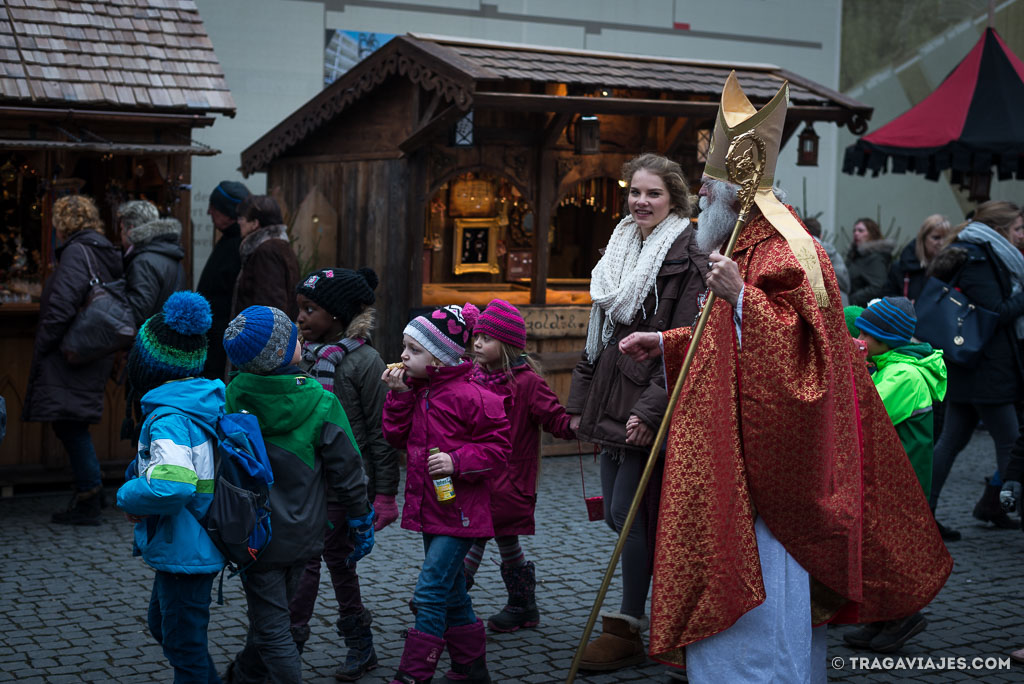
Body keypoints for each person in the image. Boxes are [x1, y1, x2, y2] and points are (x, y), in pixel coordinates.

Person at [618, 72, 951, 681]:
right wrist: (665, 341)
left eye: (707, 186)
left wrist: (743, 299)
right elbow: (723, 342)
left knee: (768, 592)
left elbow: (812, 353)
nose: (700, 196)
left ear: (735, 193)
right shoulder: (743, 243)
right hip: (733, 449)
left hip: (771, 469)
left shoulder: (791, 250)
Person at [565, 153, 708, 672]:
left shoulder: (688, 255)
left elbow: (684, 346)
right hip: (609, 397)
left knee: (632, 517)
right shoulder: (620, 248)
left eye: (654, 194)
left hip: (647, 405)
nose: (641, 202)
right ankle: (643, 618)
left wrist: (651, 412)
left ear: (675, 200)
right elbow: (598, 335)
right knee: (616, 517)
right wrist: (579, 404)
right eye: (635, 192)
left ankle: (631, 623)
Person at [221, 305, 375, 684]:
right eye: (292, 335)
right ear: (280, 352)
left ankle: (242, 675)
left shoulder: (232, 395)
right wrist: (360, 518)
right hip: (306, 535)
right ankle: (245, 675)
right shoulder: (321, 402)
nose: (299, 336)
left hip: (254, 534)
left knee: (270, 620)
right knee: (276, 626)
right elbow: (349, 470)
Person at [380, 303, 511, 684]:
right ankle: (472, 668)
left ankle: (414, 673)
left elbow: (499, 453)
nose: (403, 355)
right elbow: (394, 438)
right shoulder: (417, 391)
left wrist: (457, 461)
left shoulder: (475, 397)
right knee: (453, 592)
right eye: (404, 347)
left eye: (414, 350)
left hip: (462, 514)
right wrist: (400, 395)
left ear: (439, 359)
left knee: (431, 590)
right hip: (430, 509)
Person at [287, 267, 401, 681]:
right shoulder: (299, 354)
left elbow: (380, 432)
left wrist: (385, 494)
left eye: (310, 309)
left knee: (318, 561)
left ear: (336, 316)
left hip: (345, 482)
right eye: (299, 308)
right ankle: (357, 645)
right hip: (305, 478)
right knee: (331, 562)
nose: (301, 318)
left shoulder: (364, 363)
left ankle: (293, 646)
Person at [115, 291, 225, 683]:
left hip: (187, 548)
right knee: (167, 627)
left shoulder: (168, 418)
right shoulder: (203, 401)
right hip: (191, 544)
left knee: (183, 645)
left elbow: (174, 486)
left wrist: (126, 495)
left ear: (147, 368)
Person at [842, 297, 947, 652]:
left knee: (891, 550)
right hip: (890, 476)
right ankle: (883, 617)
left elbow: (867, 412)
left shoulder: (903, 374)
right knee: (878, 546)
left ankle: (904, 616)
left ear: (884, 340)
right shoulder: (892, 365)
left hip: (900, 479)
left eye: (865, 335)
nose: (859, 339)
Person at [464, 299, 575, 633]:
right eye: (477, 336)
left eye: (487, 338)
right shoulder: (473, 377)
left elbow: (555, 419)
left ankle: (442, 599)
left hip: (509, 481)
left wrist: (579, 425)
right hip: (477, 476)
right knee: (503, 540)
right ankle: (523, 605)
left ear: (508, 345)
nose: (478, 343)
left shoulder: (528, 384)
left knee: (474, 537)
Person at [24, 195, 123, 526]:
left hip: (73, 350)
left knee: (70, 423)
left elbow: (61, 307)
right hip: (92, 349)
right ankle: (91, 489)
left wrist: (43, 346)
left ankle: (89, 495)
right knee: (73, 421)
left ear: (62, 223)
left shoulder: (77, 253)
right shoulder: (100, 249)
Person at [927, 200, 1024, 538]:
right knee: (1011, 444)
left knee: (952, 440)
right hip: (986, 368)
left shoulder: (980, 252)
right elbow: (993, 312)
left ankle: (929, 512)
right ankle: (996, 504)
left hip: (974, 366)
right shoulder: (980, 258)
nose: (1021, 235)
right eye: (1017, 229)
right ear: (999, 230)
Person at [197, 180, 251, 380]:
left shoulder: (238, 246)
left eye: (213, 207)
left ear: (227, 212)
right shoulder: (231, 241)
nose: (209, 213)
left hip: (221, 343)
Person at [117, 200, 187, 326]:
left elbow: (137, 312)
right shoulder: (167, 252)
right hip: (166, 336)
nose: (120, 236)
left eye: (121, 229)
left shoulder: (143, 261)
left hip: (150, 339)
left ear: (130, 230)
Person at [233, 195, 299, 320]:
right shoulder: (278, 246)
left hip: (260, 335)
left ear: (255, 223)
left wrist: (261, 335)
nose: (239, 222)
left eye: (242, 218)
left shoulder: (267, 252)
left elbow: (271, 306)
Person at [882, 214, 950, 302]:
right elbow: (886, 295)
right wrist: (901, 304)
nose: (942, 243)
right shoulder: (901, 267)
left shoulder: (951, 268)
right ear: (923, 238)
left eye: (946, 238)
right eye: (936, 238)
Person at [846, 216, 894, 306]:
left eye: (860, 231)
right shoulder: (855, 255)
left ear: (872, 234)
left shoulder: (875, 258)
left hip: (864, 310)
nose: (856, 233)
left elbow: (877, 286)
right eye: (854, 231)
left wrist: (852, 299)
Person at [804, 216, 850, 304]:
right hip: (840, 305)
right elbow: (845, 285)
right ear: (821, 236)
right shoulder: (834, 255)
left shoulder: (799, 253)